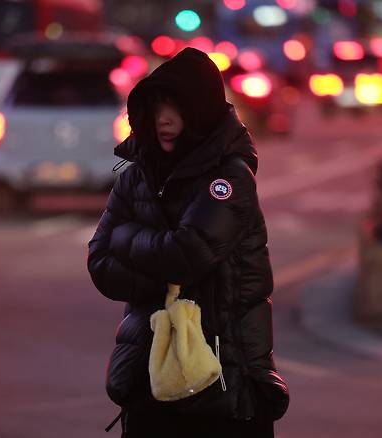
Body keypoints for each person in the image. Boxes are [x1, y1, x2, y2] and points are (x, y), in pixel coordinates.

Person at [87, 48, 290, 437]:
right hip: (149, 377)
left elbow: (186, 255)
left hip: (224, 380)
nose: (164, 119)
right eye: (157, 106)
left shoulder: (228, 178)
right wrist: (159, 272)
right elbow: (99, 262)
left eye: (176, 108)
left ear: (200, 111)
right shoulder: (136, 177)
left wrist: (127, 238)